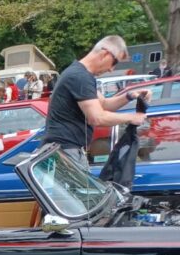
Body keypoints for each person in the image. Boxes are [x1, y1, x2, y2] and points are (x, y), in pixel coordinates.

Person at [45, 35, 148, 166]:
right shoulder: (79, 77)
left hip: (67, 151)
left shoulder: (80, 74)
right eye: (114, 63)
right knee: (78, 188)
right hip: (67, 152)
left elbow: (104, 104)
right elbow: (97, 118)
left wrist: (130, 95)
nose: (111, 70)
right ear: (105, 54)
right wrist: (132, 117)